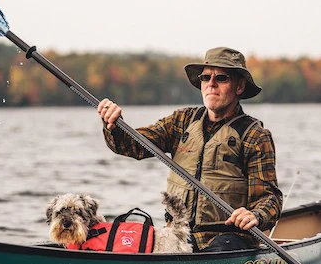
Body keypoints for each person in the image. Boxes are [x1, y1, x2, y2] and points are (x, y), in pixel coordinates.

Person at [97, 47, 282, 252]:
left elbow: (270, 199)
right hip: (178, 234)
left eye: (221, 78)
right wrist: (114, 125)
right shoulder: (182, 120)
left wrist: (254, 215)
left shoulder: (255, 135)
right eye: (205, 77)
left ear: (239, 86)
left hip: (228, 239)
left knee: (220, 248)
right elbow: (133, 146)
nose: (211, 84)